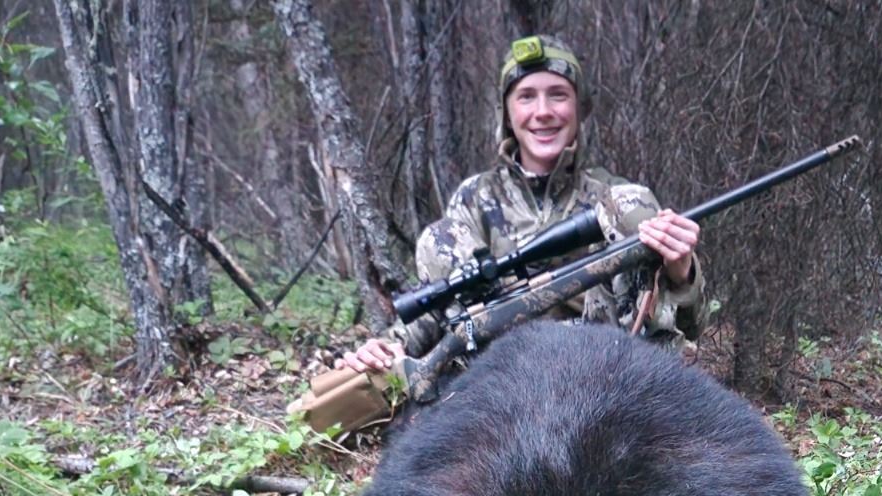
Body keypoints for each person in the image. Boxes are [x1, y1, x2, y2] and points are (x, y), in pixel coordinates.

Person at [294, 34, 704, 434]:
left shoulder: (614, 200)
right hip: (499, 384)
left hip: (605, 375)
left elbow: (690, 326)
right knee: (441, 238)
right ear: (507, 113)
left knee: (634, 205)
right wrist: (388, 348)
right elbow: (441, 309)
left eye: (558, 95)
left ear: (580, 108)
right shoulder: (475, 199)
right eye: (526, 97)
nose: (543, 112)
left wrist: (680, 271)